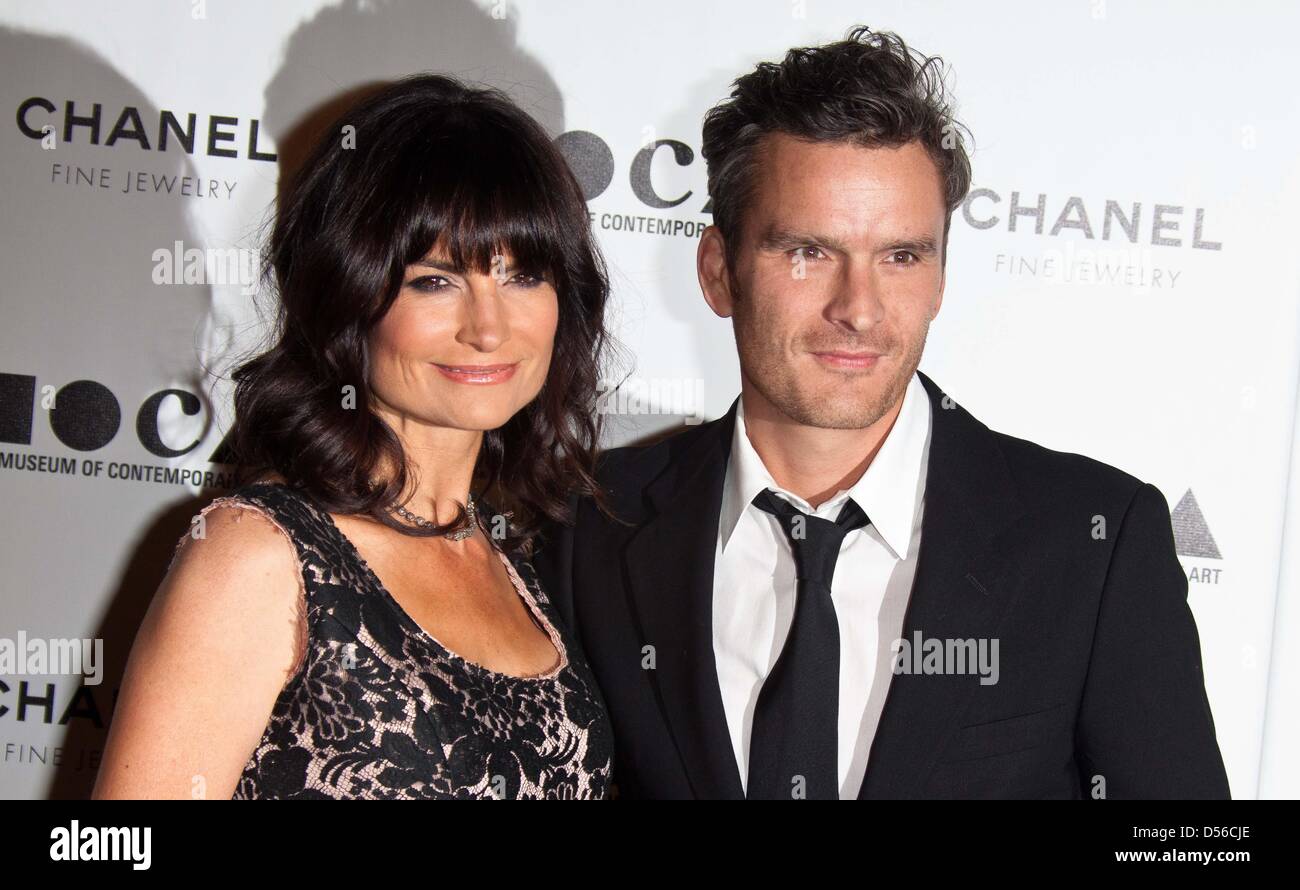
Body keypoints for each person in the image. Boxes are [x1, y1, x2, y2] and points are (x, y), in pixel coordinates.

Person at [532, 26, 1231, 799]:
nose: (858, 309)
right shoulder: (590, 526)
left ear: (939, 278)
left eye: (901, 256)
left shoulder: (1093, 541)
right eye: (807, 251)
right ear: (717, 271)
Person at [93, 74, 615, 799]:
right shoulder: (261, 556)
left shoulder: (508, 556)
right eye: (434, 281)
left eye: (523, 276)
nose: (489, 328)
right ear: (347, 294)